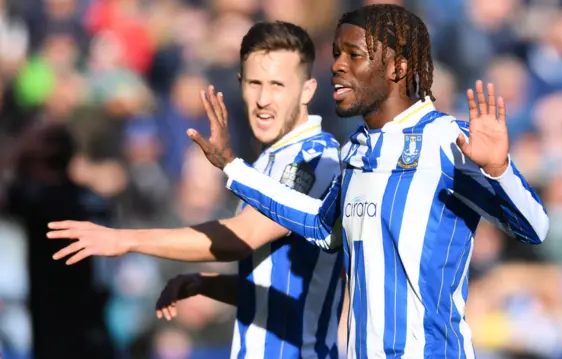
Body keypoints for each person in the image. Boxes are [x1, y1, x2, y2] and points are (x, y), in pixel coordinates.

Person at [185, 4, 550, 359]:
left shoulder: (447, 139)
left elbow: (534, 227)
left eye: (354, 55)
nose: (338, 66)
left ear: (398, 66)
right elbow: (319, 225)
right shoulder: (355, 150)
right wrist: (233, 167)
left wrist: (500, 170)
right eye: (336, 54)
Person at [47, 21, 345, 359]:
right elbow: (285, 290)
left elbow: (243, 235)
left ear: (307, 90)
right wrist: (207, 284)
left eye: (278, 85)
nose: (263, 99)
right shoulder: (267, 162)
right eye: (254, 84)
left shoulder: (317, 159)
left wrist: (125, 239)